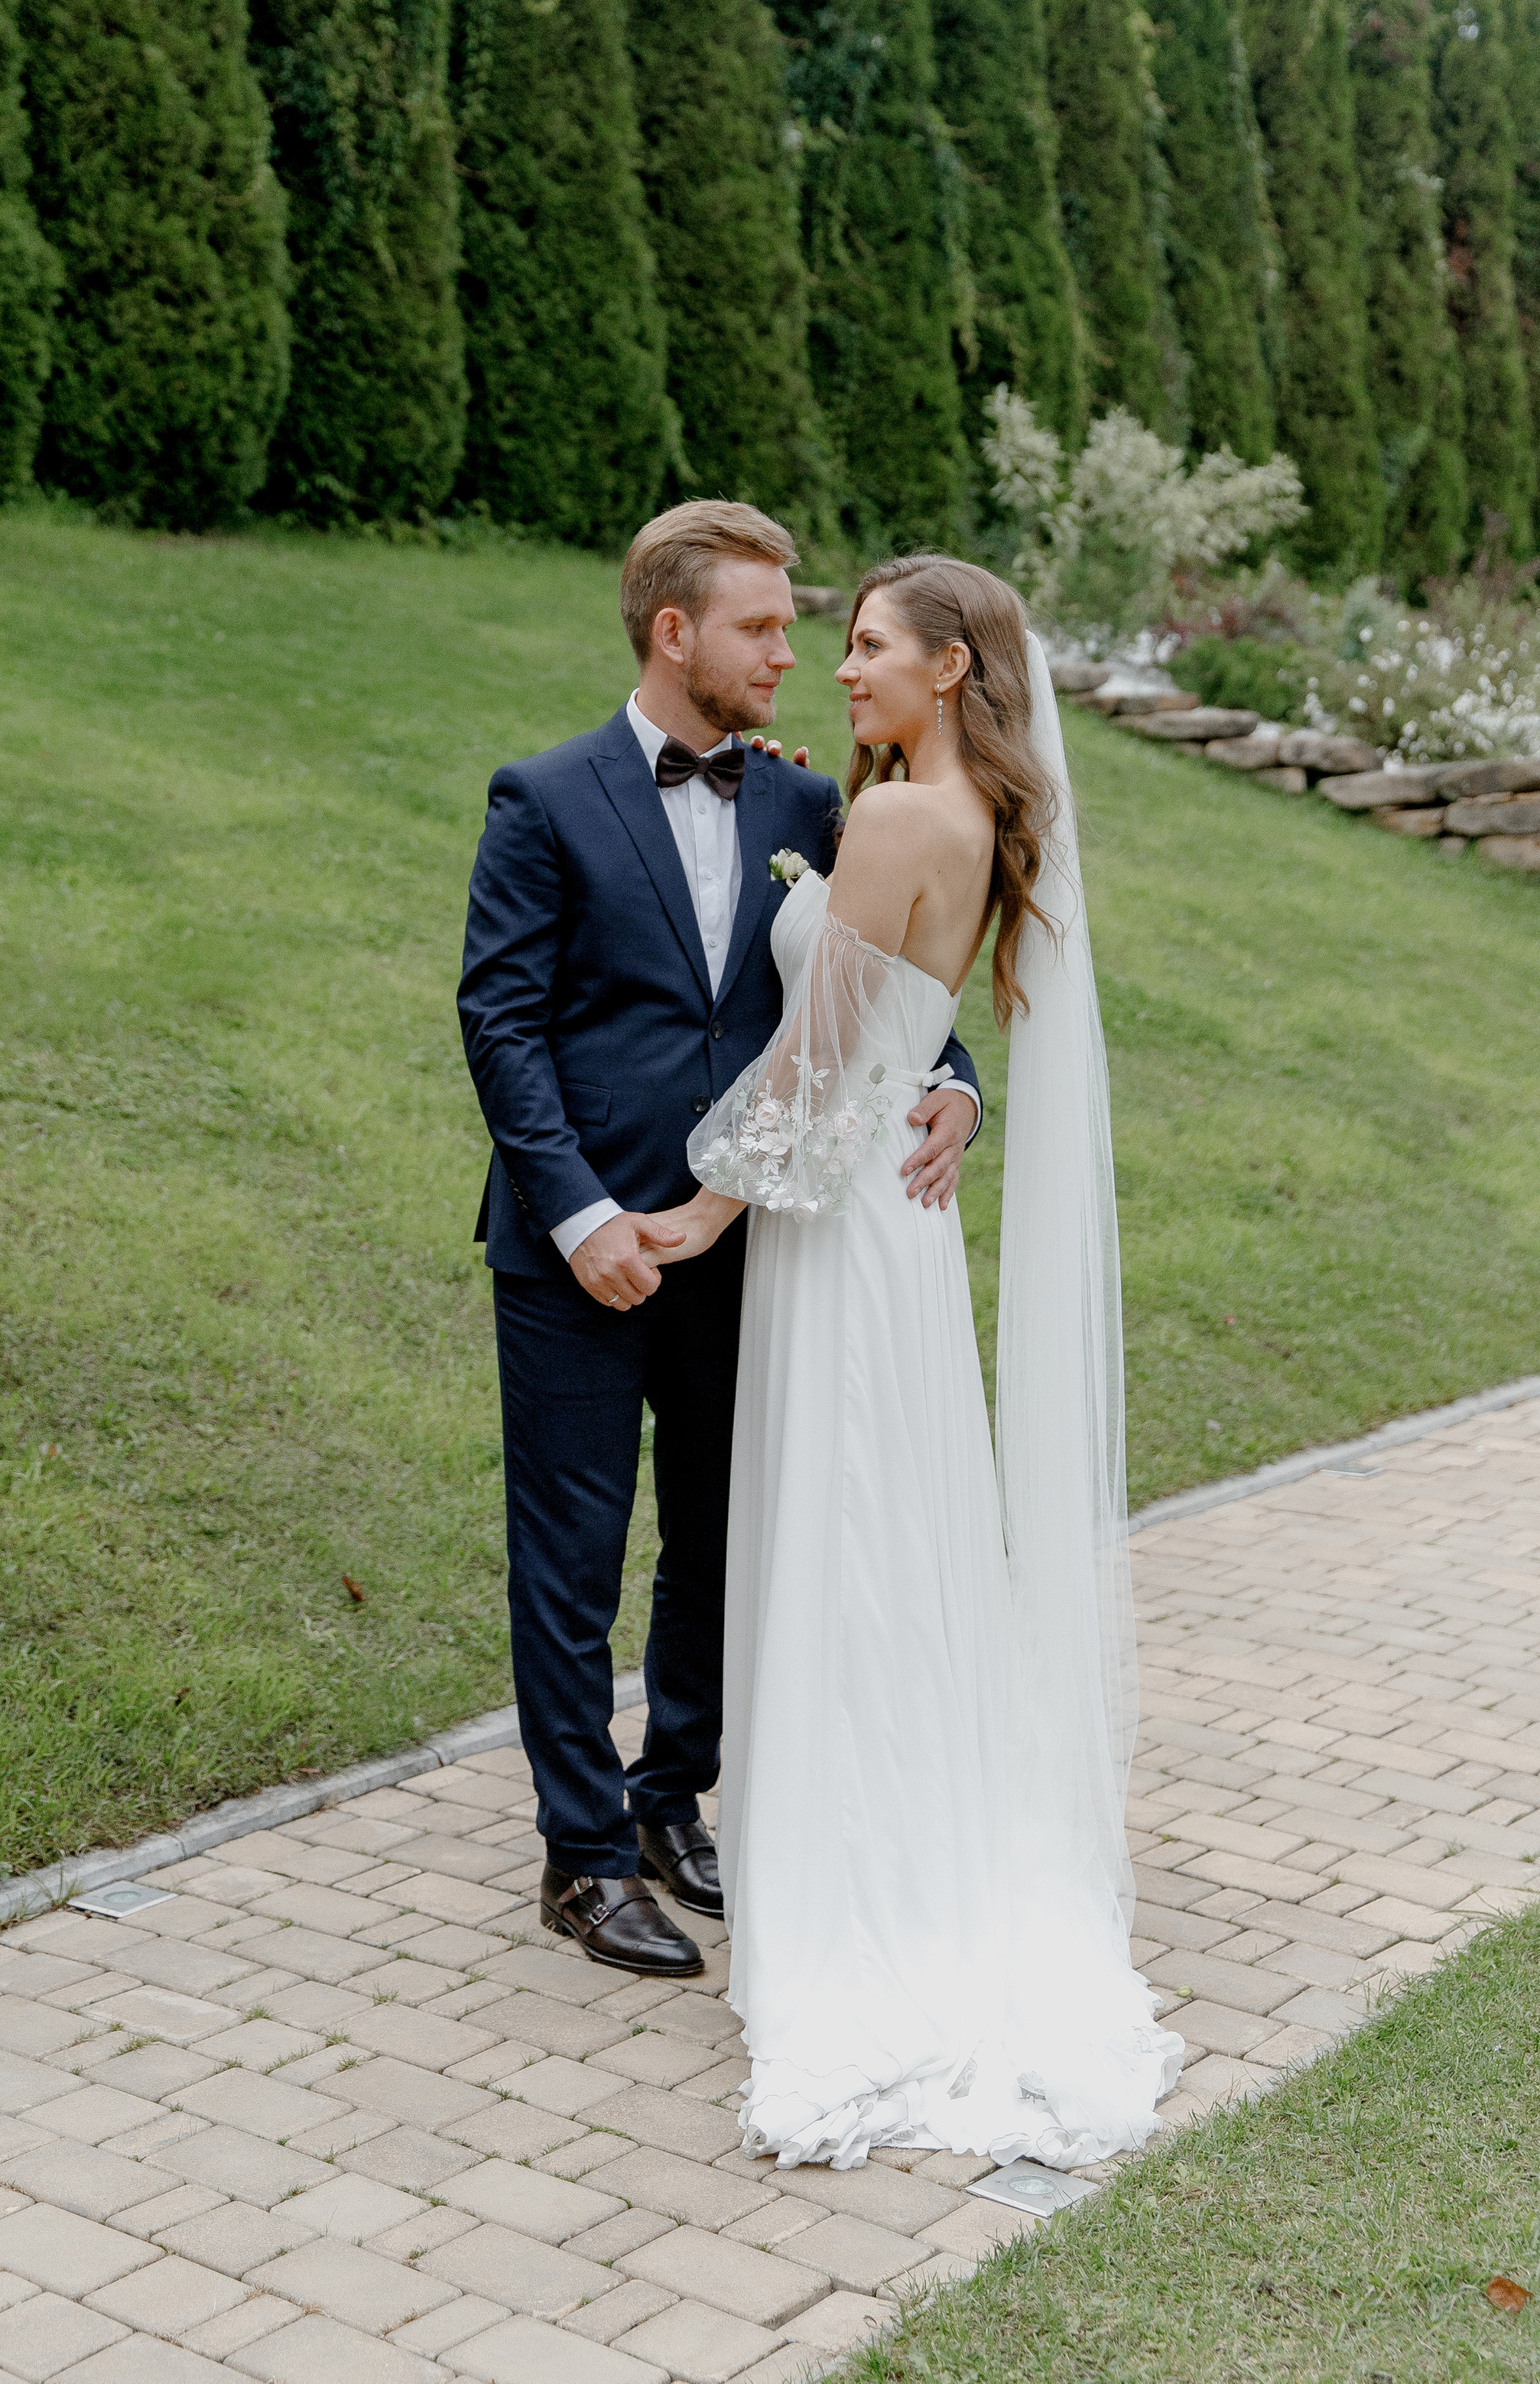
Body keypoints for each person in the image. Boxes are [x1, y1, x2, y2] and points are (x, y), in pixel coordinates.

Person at [654, 554, 1184, 2168]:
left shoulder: (891, 822)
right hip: (894, 1212)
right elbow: (893, 1022)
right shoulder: (943, 816)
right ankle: (897, 1825)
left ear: (951, 668)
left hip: (835, 1214)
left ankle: (852, 1870)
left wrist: (693, 1213)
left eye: (871, 647)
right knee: (887, 1524)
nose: (840, 667)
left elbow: (813, 1061)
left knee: (847, 1520)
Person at [456, 505, 985, 1978]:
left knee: (716, 1539)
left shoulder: (811, 807)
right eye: (762, 626)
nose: (791, 651)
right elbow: (497, 1026)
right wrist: (579, 1217)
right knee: (567, 1555)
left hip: (748, 1239)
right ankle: (579, 1854)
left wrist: (956, 1088)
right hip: (578, 1241)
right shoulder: (543, 799)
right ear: (673, 631)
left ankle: (671, 1797)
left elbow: (876, 992)